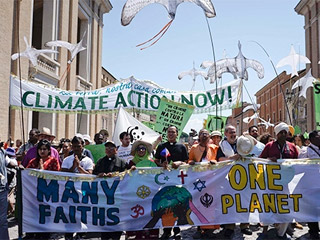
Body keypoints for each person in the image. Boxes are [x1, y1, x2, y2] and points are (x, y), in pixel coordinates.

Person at [259, 122, 299, 239]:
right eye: (280, 132)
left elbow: (298, 161)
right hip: (271, 181)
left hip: (286, 182)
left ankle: (281, 232)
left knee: (285, 206)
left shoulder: (292, 147)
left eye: (284, 132)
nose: (282, 134)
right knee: (268, 205)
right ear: (276, 134)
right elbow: (260, 160)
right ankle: (264, 231)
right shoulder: (269, 146)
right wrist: (268, 159)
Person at [216, 125, 252, 238]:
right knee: (230, 202)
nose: (233, 134)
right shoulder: (222, 146)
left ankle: (244, 225)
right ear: (226, 134)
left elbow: (253, 149)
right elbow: (220, 159)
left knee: (244, 201)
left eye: (234, 132)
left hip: (243, 177)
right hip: (228, 179)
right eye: (231, 132)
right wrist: (233, 158)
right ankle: (230, 226)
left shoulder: (242, 142)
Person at [154, 126, 188, 240]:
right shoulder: (161, 146)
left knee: (178, 205)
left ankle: (177, 230)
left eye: (173, 132)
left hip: (178, 180)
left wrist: (179, 162)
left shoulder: (182, 147)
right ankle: (167, 230)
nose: (171, 134)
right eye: (169, 132)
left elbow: (187, 162)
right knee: (166, 205)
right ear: (166, 134)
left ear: (177, 134)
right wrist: (161, 165)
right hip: (165, 182)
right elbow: (156, 161)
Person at [93, 141, 128, 240]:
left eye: (111, 148)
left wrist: (115, 175)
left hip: (117, 196)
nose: (109, 150)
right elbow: (94, 174)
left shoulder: (122, 162)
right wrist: (99, 174)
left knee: (116, 222)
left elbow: (126, 176)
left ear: (116, 150)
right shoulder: (100, 161)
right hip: (104, 197)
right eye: (107, 148)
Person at [188, 129, 218, 239]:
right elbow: (190, 160)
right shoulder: (194, 148)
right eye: (202, 134)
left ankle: (210, 229)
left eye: (206, 134)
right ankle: (199, 228)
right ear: (199, 136)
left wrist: (215, 162)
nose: (204, 135)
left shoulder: (214, 148)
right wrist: (190, 162)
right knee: (198, 204)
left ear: (209, 136)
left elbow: (218, 160)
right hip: (198, 181)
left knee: (211, 205)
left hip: (211, 181)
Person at [126, 140, 159, 239]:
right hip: (135, 192)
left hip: (150, 192)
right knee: (137, 211)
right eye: (139, 149)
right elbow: (126, 176)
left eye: (143, 148)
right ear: (136, 151)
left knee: (150, 211)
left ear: (146, 151)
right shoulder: (131, 162)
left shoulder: (152, 162)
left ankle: (151, 233)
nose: (141, 150)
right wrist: (130, 171)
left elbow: (156, 176)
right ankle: (137, 233)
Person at [297, 130, 320, 239]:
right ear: (311, 140)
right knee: (312, 209)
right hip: (311, 185)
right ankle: (314, 231)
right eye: (318, 137)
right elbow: (299, 166)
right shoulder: (305, 151)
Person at [0, 147, 16, 240]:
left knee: (2, 220)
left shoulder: (2, 151)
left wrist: (16, 165)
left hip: (2, 190)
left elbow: (8, 162)